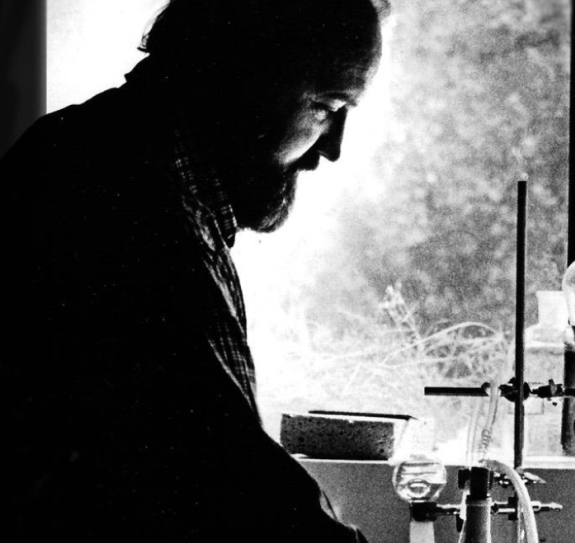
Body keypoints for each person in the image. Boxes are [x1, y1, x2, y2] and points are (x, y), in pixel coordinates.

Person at [2, 0, 388, 540]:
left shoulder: (133, 170)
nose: (333, 146)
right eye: (327, 105)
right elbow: (226, 479)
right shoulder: (121, 201)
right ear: (246, 76)